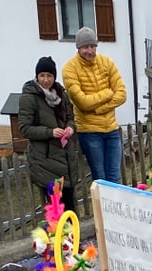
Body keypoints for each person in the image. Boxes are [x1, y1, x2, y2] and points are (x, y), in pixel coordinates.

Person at [62, 27, 127, 185]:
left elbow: (122, 94)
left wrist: (100, 108)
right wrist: (107, 93)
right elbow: (82, 102)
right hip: (89, 132)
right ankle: (101, 210)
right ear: (78, 48)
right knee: (100, 178)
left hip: (111, 128)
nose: (90, 51)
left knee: (115, 176)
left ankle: (114, 210)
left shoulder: (107, 62)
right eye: (85, 47)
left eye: (93, 46)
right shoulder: (69, 69)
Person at [18, 56, 83, 213]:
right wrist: (50, 132)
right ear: (37, 76)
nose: (46, 80)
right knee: (56, 209)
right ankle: (59, 237)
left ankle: (72, 236)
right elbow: (25, 128)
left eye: (49, 76)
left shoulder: (61, 95)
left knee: (69, 205)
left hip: (65, 157)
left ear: (54, 77)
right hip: (46, 161)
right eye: (42, 76)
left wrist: (70, 128)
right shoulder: (29, 98)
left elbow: (70, 118)